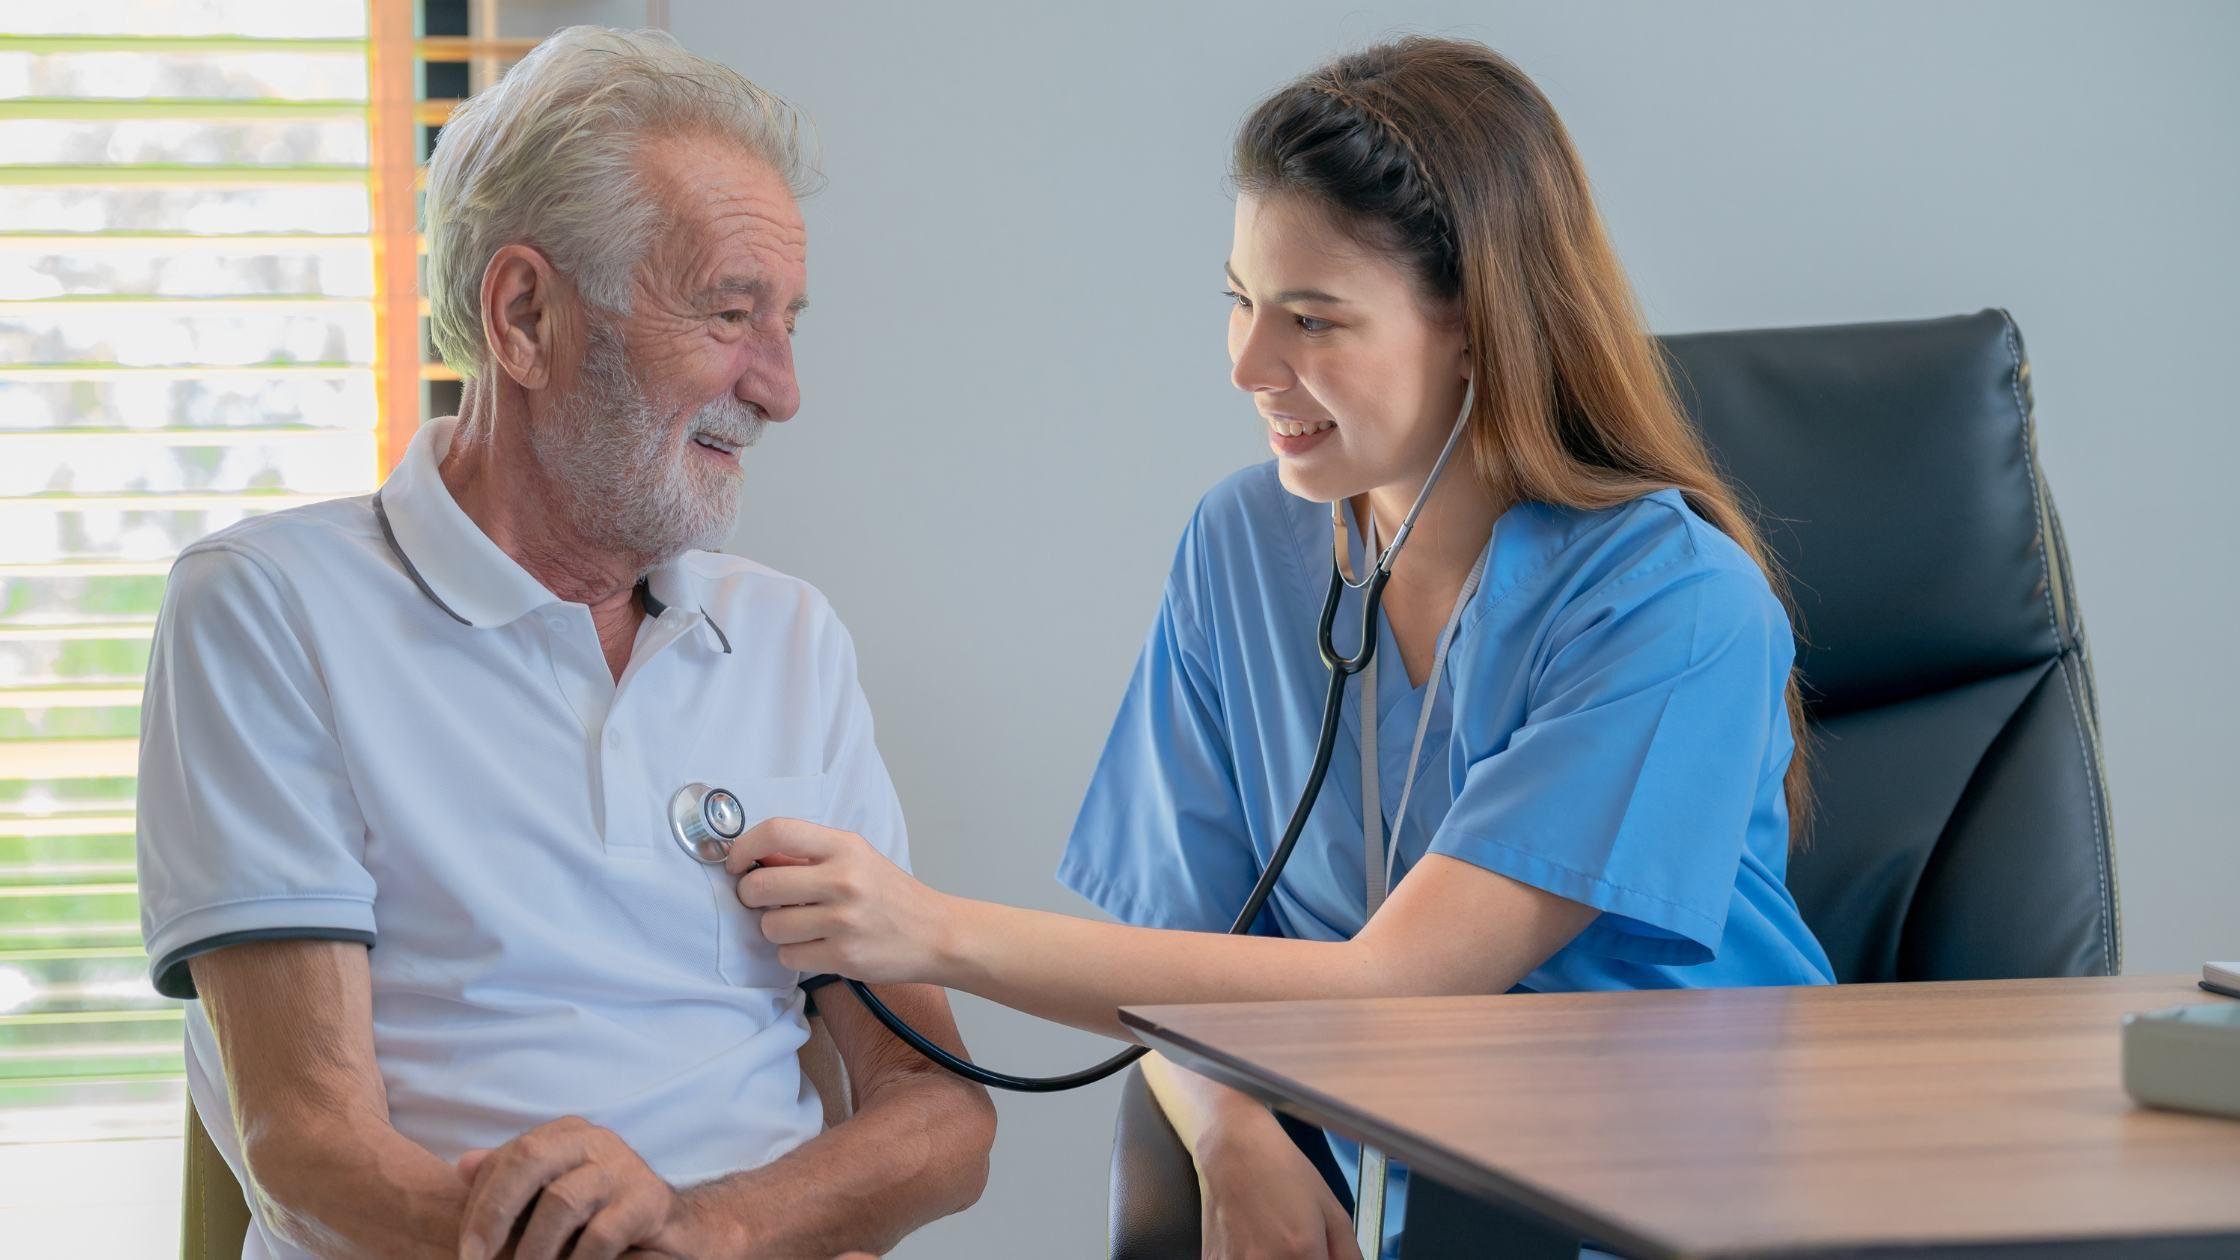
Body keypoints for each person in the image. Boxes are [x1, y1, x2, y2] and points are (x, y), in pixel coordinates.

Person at [717, 36, 1835, 1260]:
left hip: (1681, 1200)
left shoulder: (1671, 604)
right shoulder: (1244, 545)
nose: (1249, 365)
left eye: (1311, 318)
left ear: (1473, 323)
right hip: (1404, 1199)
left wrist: (926, 930)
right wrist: (1228, 1124)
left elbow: (1392, 990)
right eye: (1240, 302)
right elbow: (1178, 949)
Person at [133, 27, 993, 1260]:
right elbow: (308, 1149)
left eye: (787, 321)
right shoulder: (268, 607)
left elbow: (940, 1113)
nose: (779, 386)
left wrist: (713, 1230)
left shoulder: (788, 637)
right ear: (525, 315)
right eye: (729, 314)